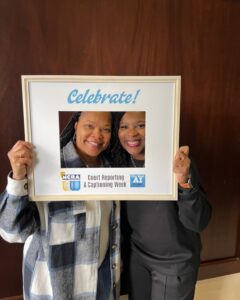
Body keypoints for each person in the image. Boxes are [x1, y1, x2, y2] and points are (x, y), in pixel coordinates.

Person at [0, 111, 120, 300]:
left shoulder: (114, 172)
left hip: (100, 288)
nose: (97, 135)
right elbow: (12, 232)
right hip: (51, 292)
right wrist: (17, 177)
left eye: (105, 129)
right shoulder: (43, 167)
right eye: (89, 126)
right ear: (75, 126)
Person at [112, 111, 212, 300]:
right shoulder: (118, 162)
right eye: (123, 126)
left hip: (175, 262)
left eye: (141, 125)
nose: (132, 133)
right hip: (137, 259)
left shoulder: (176, 162)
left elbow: (198, 222)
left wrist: (184, 182)